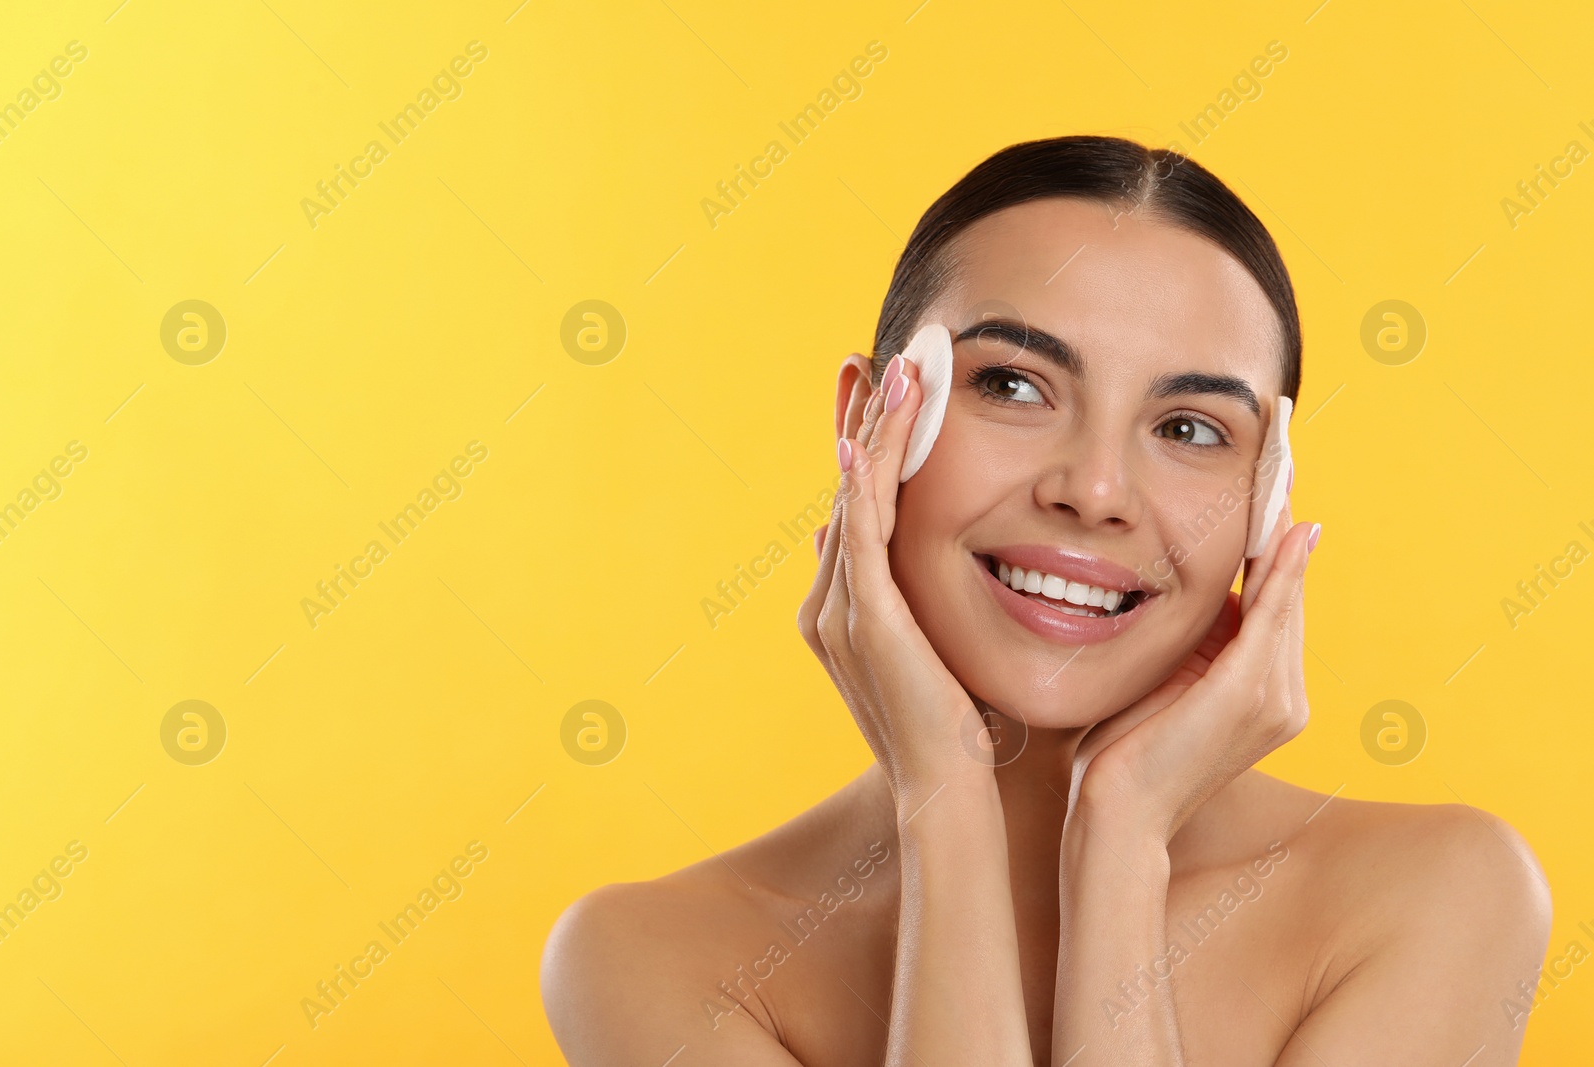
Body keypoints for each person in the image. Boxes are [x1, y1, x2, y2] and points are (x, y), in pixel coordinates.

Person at [541, 135, 1552, 1066]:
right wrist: (944, 797)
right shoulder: (653, 957)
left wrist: (1121, 836)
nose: (1094, 490)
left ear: (1267, 499)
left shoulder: (1438, 898)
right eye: (1015, 385)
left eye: (1191, 428)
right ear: (866, 419)